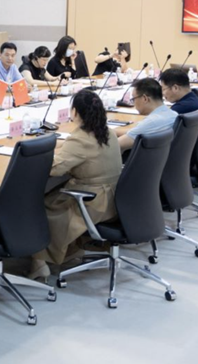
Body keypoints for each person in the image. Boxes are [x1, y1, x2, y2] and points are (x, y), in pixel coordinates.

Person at [30, 90, 121, 279]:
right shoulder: (107, 132)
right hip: (113, 197)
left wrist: (38, 151)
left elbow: (54, 169)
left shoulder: (80, 139)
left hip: (92, 202)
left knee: (39, 208)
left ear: (75, 112)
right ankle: (71, 250)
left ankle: (39, 262)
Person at [116, 78, 178, 152]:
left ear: (144, 98)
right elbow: (135, 131)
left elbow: (115, 145)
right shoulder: (173, 114)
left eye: (133, 99)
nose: (134, 103)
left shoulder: (151, 122)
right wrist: (112, 131)